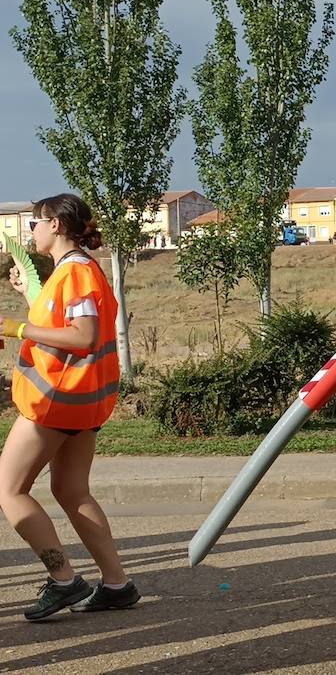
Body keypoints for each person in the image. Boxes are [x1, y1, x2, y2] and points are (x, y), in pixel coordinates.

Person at [0, 193, 139, 620]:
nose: (32, 232)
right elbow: (65, 327)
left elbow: (82, 337)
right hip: (83, 400)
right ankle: (116, 584)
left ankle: (63, 580)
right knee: (71, 491)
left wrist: (13, 326)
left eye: (36, 224)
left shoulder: (75, 273)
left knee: (9, 490)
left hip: (54, 402)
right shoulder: (75, 271)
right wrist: (30, 299)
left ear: (56, 224)